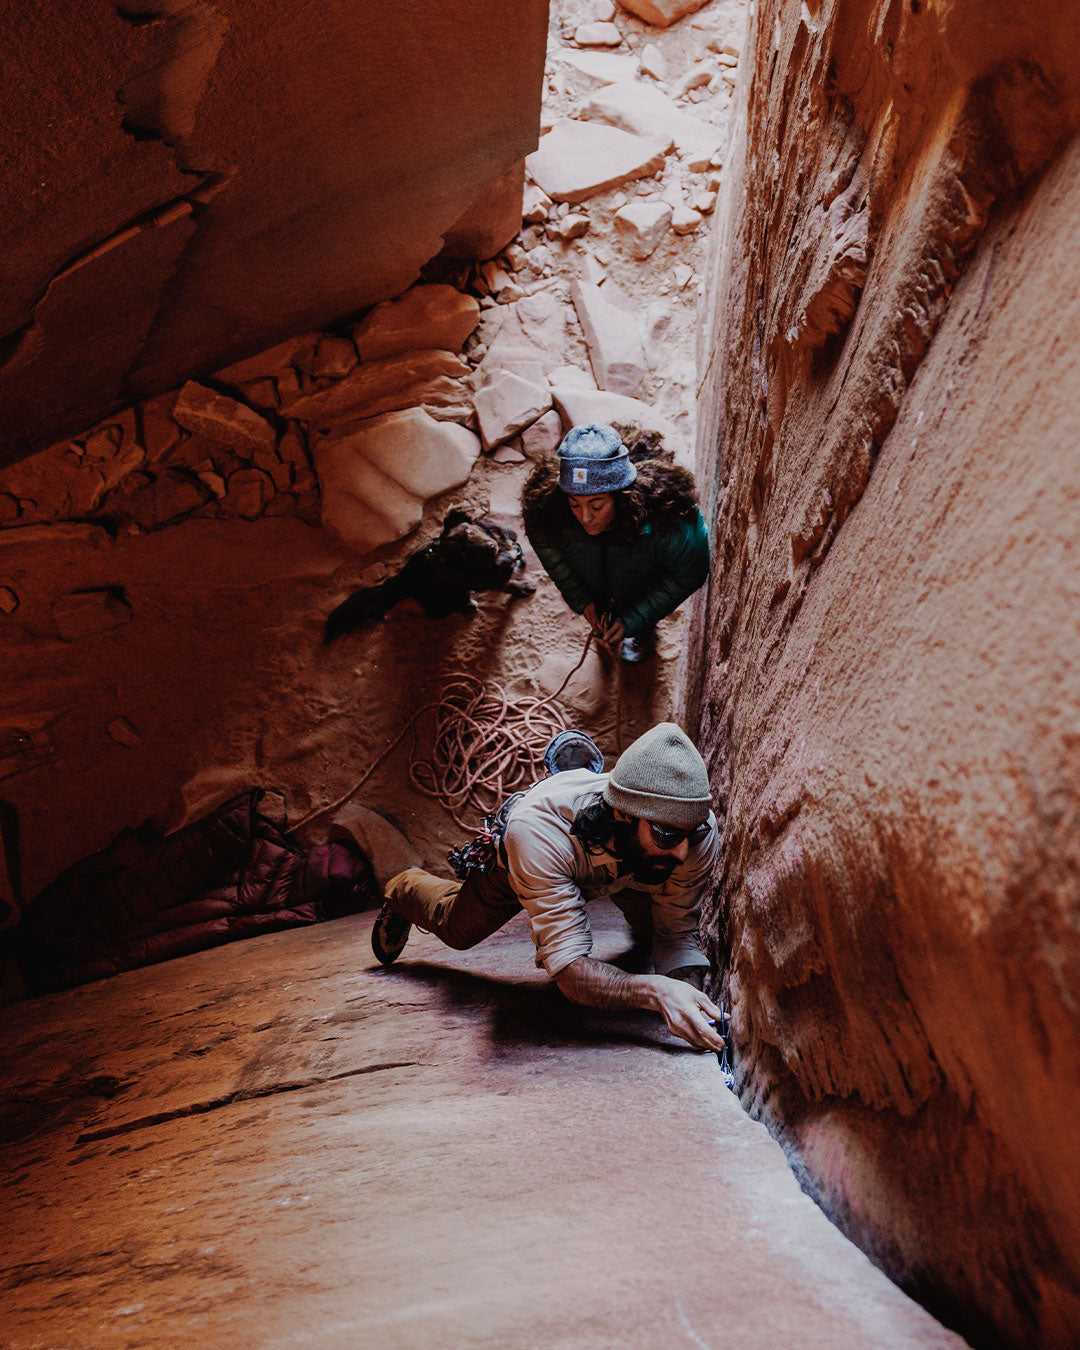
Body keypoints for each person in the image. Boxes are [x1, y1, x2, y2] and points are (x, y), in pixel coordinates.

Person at [371, 722, 726, 1052]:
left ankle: (575, 769)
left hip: (630, 863)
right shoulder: (536, 833)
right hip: (533, 855)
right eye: (668, 835)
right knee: (456, 929)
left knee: (651, 934)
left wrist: (692, 1001)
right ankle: (404, 886)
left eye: (691, 834)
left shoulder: (689, 827)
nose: (683, 851)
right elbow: (570, 971)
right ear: (624, 814)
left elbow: (676, 936)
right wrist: (655, 991)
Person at [521, 423, 711, 663]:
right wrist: (581, 598)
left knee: (636, 613)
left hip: (641, 585)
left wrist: (636, 617)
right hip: (595, 581)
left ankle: (641, 631)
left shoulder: (669, 521)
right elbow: (544, 542)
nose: (585, 518)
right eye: (574, 504)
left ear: (621, 497)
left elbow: (690, 573)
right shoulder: (548, 508)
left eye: (597, 505)